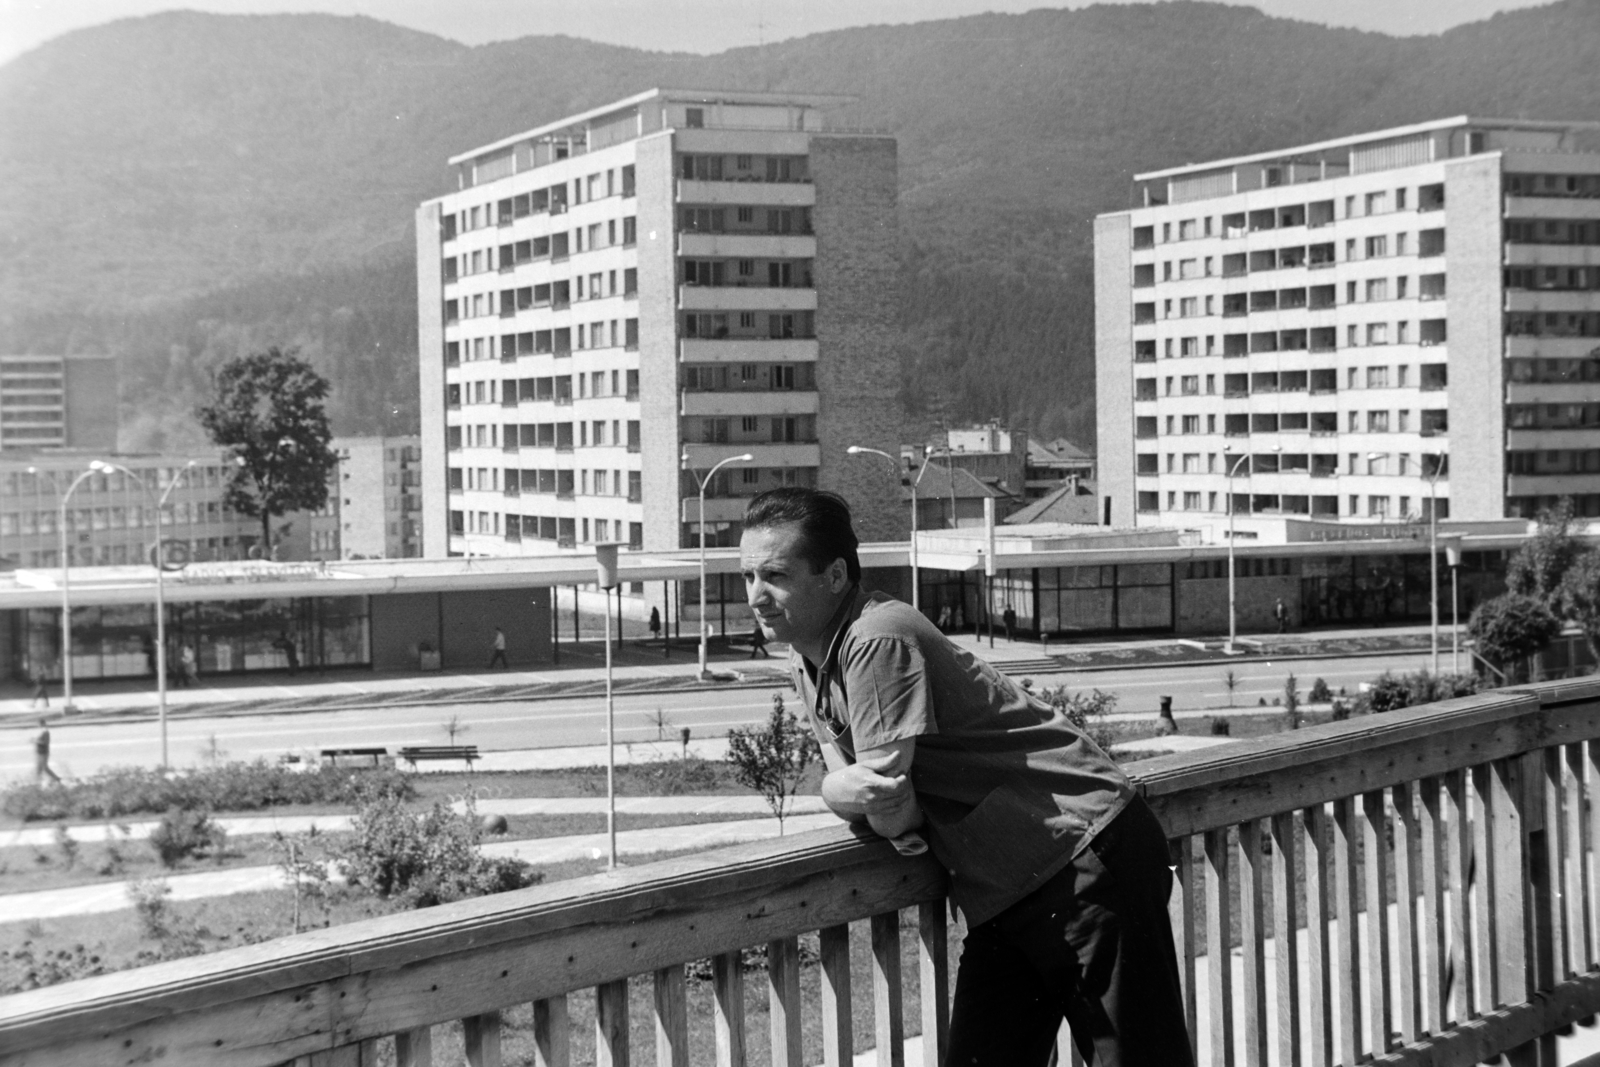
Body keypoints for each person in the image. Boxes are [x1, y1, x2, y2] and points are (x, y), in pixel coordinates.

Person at [739, 488, 1191, 1067]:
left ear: (834, 575)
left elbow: (881, 798)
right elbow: (869, 793)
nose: (756, 595)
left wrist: (842, 793)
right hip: (1003, 886)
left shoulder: (876, 636)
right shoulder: (809, 661)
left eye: (775, 574)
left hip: (1081, 853)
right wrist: (858, 794)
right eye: (748, 574)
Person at [34, 719, 60, 785]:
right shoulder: (42, 731)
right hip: (40, 752)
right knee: (39, 768)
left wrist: (36, 741)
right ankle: (37, 782)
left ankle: (56, 778)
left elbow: (46, 742)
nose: (37, 725)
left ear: (42, 724)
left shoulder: (45, 731)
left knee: (44, 767)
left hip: (44, 752)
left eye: (38, 724)